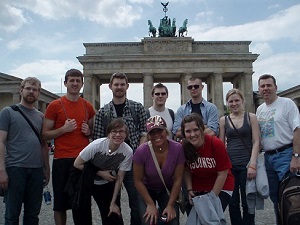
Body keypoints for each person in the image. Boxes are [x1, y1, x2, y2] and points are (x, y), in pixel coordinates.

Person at [93, 72, 147, 225]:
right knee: (112, 206)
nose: (119, 87)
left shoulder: (137, 108)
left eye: (122, 84)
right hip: (111, 165)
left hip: (133, 164)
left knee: (136, 204)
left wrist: (139, 152)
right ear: (110, 86)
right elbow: (97, 138)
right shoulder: (103, 112)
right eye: (116, 84)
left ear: (127, 86)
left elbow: (144, 131)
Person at [42, 69, 95, 225]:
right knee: (60, 204)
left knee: (83, 204)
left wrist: (88, 132)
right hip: (61, 160)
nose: (75, 83)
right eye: (71, 80)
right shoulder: (54, 105)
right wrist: (63, 130)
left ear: (82, 84)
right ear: (65, 83)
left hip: (82, 160)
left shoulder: (88, 106)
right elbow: (45, 135)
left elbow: (93, 133)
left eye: (78, 81)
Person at [0, 77, 50, 225]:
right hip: (15, 169)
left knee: (33, 214)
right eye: (28, 88)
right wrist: (1, 170)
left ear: (38, 93)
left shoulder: (41, 116)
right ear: (21, 90)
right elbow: (1, 141)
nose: (31, 92)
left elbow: (43, 145)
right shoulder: (8, 112)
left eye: (35, 90)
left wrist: (47, 169)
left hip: (36, 171)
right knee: (12, 214)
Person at [256, 74, 300, 225]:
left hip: (286, 154)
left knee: (291, 196)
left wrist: (296, 156)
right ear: (259, 89)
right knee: (275, 198)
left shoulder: (287, 103)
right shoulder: (260, 109)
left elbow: (297, 129)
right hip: (268, 157)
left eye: (269, 85)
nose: (266, 89)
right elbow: (259, 137)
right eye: (262, 86)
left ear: (276, 87)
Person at [73, 118, 133, 225]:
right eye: (114, 131)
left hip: (105, 183)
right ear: (109, 133)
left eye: (121, 131)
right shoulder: (97, 145)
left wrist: (113, 202)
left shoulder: (128, 152)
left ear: (126, 134)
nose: (118, 135)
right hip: (86, 180)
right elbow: (77, 164)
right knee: (82, 215)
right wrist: (99, 173)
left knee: (112, 216)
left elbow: (119, 179)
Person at [181, 113, 234, 222]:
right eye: (188, 131)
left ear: (202, 129)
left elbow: (223, 173)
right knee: (196, 220)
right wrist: (189, 189)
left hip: (221, 185)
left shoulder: (215, 143)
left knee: (210, 218)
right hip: (198, 186)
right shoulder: (184, 146)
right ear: (183, 133)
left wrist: (212, 198)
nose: (192, 134)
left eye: (195, 130)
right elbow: (186, 170)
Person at [133, 115, 185, 225]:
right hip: (147, 188)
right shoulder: (141, 151)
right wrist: (150, 204)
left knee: (173, 221)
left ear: (166, 131)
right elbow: (138, 180)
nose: (156, 135)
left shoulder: (177, 149)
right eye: (152, 132)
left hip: (167, 188)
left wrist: (170, 205)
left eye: (160, 131)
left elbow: (178, 179)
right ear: (148, 135)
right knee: (148, 220)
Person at [219, 88, 260, 225]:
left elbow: (256, 141)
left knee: (248, 201)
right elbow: (221, 145)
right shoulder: (224, 120)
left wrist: (253, 164)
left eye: (237, 100)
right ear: (227, 103)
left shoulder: (251, 117)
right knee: (233, 202)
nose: (234, 103)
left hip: (247, 165)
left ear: (242, 101)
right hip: (230, 166)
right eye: (231, 101)